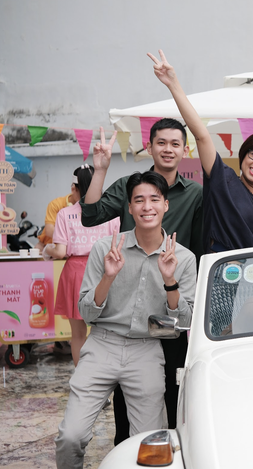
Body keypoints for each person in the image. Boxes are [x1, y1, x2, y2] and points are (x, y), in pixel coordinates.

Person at [55, 171, 196, 469]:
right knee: (71, 435)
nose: (147, 207)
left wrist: (169, 281)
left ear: (166, 205)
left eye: (154, 199)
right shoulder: (104, 249)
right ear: (129, 208)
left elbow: (185, 320)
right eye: (139, 200)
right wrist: (109, 277)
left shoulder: (182, 258)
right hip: (102, 346)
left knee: (151, 444)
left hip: (147, 349)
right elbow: (87, 312)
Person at [81, 122, 201, 443]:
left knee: (174, 386)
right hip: (132, 303)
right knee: (129, 392)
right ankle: (128, 447)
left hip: (166, 302)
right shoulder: (130, 186)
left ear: (185, 151)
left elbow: (202, 244)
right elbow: (90, 215)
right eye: (160, 142)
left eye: (175, 143)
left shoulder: (195, 194)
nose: (168, 149)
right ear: (149, 147)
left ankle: (172, 449)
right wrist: (101, 169)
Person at [148, 49, 253, 253]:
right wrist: (173, 84)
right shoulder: (223, 179)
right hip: (220, 275)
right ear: (245, 154)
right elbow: (202, 136)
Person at [43, 165, 120, 366]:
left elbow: (59, 251)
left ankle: (82, 380)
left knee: (77, 335)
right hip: (105, 271)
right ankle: (106, 379)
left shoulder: (65, 214)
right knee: (104, 331)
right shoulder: (112, 213)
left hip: (75, 273)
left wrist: (47, 251)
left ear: (74, 188)